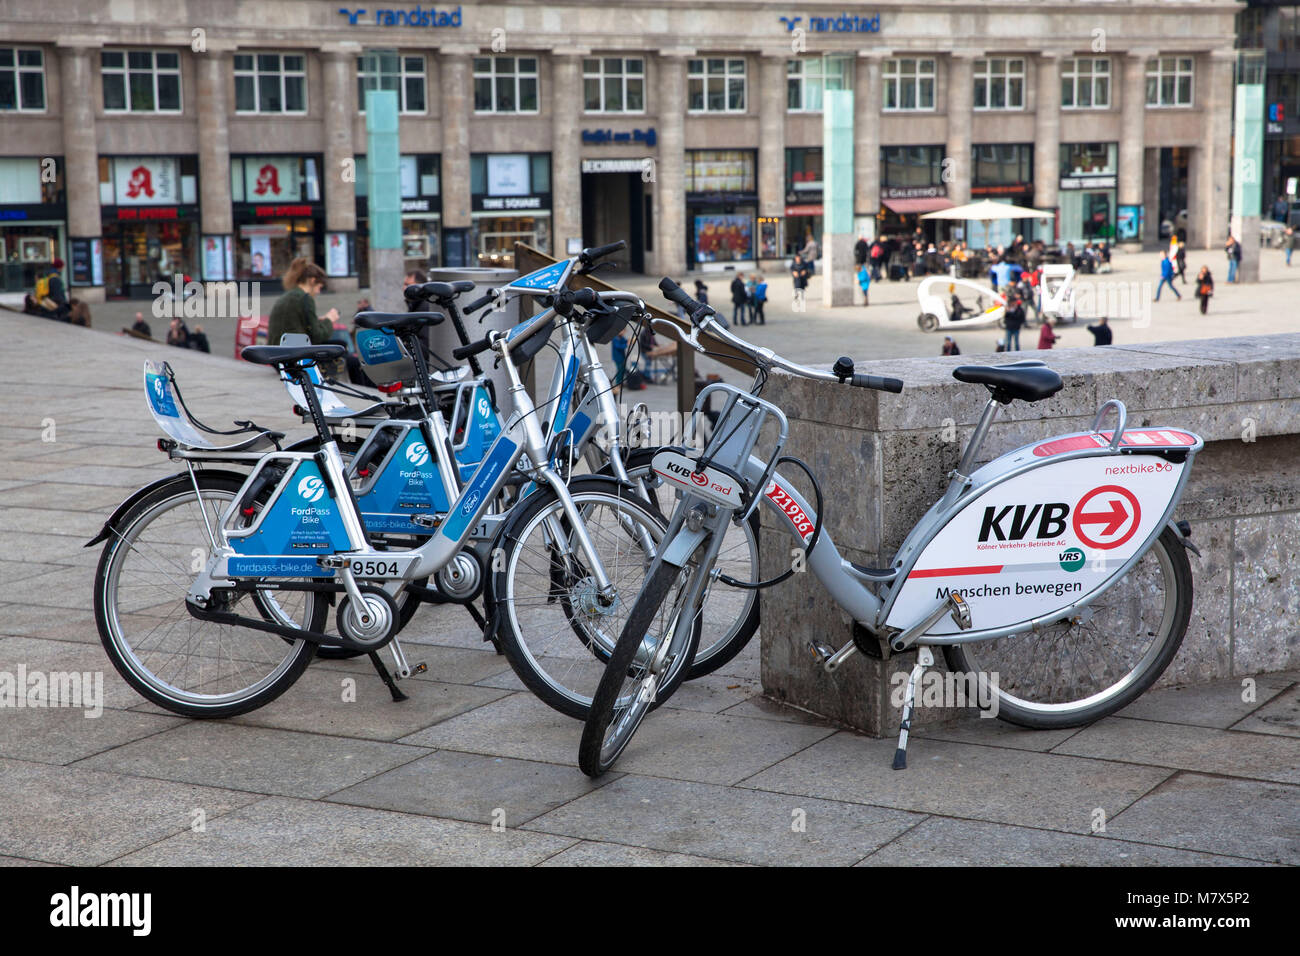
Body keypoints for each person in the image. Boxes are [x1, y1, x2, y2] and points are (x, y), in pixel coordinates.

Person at [268, 258, 343, 377]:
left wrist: (319, 321)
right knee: (341, 347)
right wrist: (329, 320)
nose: (318, 292)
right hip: (291, 358)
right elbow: (317, 335)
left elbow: (296, 325)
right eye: (319, 287)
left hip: (277, 355)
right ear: (312, 281)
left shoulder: (289, 296)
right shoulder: (305, 298)